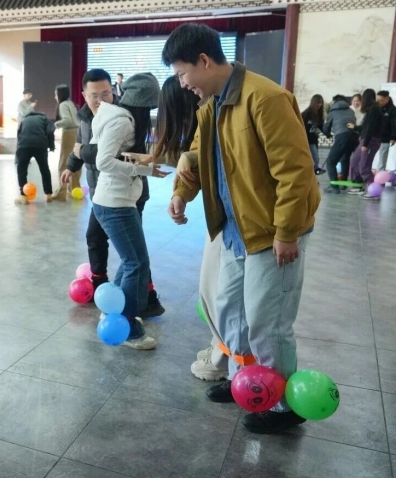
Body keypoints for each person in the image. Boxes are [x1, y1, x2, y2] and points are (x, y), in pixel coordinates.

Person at [164, 23, 320, 434]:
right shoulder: (210, 106)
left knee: (269, 321)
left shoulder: (266, 98)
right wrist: (182, 193)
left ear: (204, 60)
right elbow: (198, 156)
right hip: (235, 229)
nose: (182, 83)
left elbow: (295, 172)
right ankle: (247, 383)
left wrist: (286, 232)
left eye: (182, 73)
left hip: (271, 232)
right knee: (231, 311)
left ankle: (282, 406)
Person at [61, 69, 164, 318]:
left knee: (133, 255)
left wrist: (84, 151)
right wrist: (73, 162)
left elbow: (102, 153)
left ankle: (131, 302)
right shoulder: (93, 117)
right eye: (95, 95)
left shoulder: (121, 117)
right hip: (108, 194)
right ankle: (112, 299)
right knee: (127, 253)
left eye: (106, 93)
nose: (101, 100)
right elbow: (99, 156)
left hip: (125, 194)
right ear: (84, 95)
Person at [152, 76, 228, 381]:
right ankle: (222, 351)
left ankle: (224, 357)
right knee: (214, 288)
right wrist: (180, 193)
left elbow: (215, 158)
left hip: (240, 217)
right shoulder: (208, 113)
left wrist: (191, 158)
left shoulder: (217, 110)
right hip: (223, 213)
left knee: (222, 292)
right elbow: (193, 158)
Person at [91, 72, 168, 350]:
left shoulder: (122, 118)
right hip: (114, 203)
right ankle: (129, 328)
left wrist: (145, 166)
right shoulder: (122, 121)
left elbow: (118, 156)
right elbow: (103, 162)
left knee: (130, 260)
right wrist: (143, 170)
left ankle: (114, 312)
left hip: (119, 201)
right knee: (137, 263)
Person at [15, 107, 55, 204]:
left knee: (22, 170)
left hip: (24, 145)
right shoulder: (44, 119)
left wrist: (18, 150)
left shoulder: (24, 119)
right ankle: (48, 194)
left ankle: (24, 197)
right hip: (40, 145)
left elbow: (19, 134)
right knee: (44, 169)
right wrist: (51, 146)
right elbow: (50, 131)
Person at [347, 88, 382, 198]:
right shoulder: (370, 109)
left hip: (370, 141)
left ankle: (373, 191)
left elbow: (371, 128)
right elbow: (366, 127)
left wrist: (365, 144)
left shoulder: (374, 109)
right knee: (355, 162)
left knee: (364, 166)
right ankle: (358, 186)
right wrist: (356, 128)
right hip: (364, 139)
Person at [323, 94, 359, 193]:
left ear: (334, 102)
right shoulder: (350, 111)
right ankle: (343, 182)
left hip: (342, 137)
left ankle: (334, 187)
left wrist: (327, 134)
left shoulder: (332, 112)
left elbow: (326, 128)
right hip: (354, 137)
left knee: (331, 161)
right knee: (345, 158)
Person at [51, 84, 80, 201]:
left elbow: (67, 120)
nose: (55, 97)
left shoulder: (63, 104)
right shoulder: (71, 103)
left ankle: (61, 193)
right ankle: (74, 190)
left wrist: (55, 124)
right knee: (75, 162)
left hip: (69, 134)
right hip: (78, 133)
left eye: (56, 94)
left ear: (60, 94)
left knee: (63, 163)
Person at [301, 94, 326, 174]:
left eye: (321, 103)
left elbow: (321, 128)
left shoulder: (319, 115)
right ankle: (313, 169)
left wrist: (327, 134)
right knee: (312, 158)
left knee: (315, 158)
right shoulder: (306, 114)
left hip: (313, 140)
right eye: (318, 103)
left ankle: (315, 169)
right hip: (305, 139)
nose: (319, 105)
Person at [373, 90, 396, 172]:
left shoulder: (392, 110)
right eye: (377, 100)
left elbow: (394, 125)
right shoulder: (375, 108)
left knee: (382, 158)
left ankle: (380, 175)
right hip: (375, 137)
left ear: (387, 99)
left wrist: (393, 137)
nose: (379, 102)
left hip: (386, 138)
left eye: (381, 100)